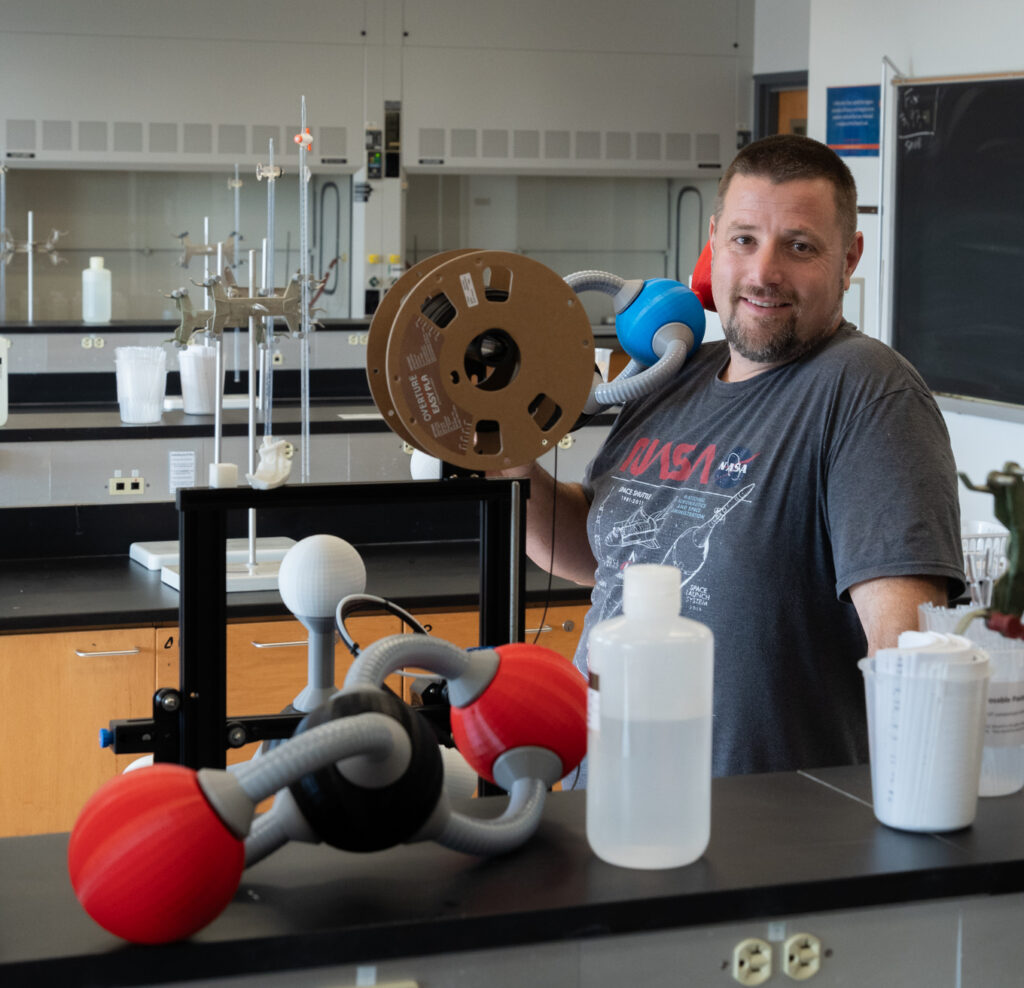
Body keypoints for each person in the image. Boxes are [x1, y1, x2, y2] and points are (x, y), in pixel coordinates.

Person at [504, 134, 965, 779]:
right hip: (600, 794)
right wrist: (513, 463)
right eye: (745, 239)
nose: (762, 273)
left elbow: (908, 655)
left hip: (755, 835)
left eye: (799, 246)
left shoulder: (867, 393)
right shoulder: (674, 373)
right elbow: (597, 551)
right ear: (715, 241)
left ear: (849, 257)